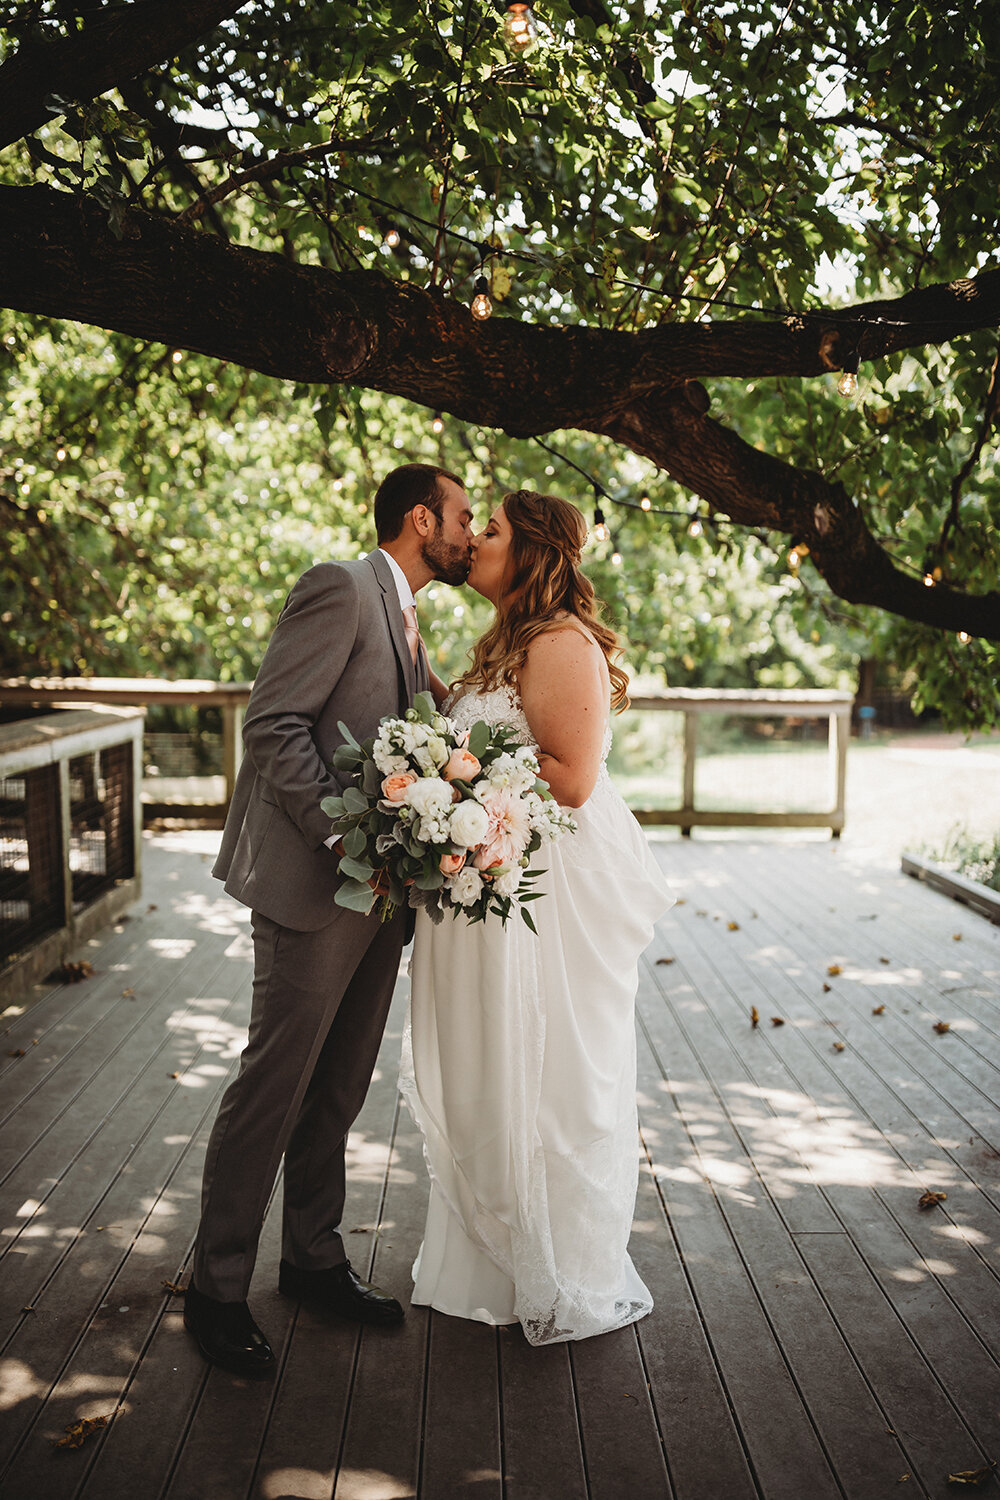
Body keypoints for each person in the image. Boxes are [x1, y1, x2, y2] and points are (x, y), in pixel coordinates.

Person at [184, 463, 474, 1378]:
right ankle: (215, 1287)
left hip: (380, 901)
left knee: (340, 1088)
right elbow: (272, 727)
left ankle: (312, 1259)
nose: (471, 534)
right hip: (318, 889)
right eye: (464, 517)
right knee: (273, 1085)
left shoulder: (411, 620)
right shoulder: (339, 587)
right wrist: (353, 841)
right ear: (420, 518)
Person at [400, 489, 674, 1345]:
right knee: (490, 1058)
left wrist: (455, 779)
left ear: (533, 551)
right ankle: (489, 1254)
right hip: (488, 878)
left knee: (545, 1066)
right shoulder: (505, 644)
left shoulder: (560, 641)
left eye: (492, 529)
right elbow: (483, 734)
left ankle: (554, 1264)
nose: (476, 539)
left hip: (541, 895)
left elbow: (571, 777)